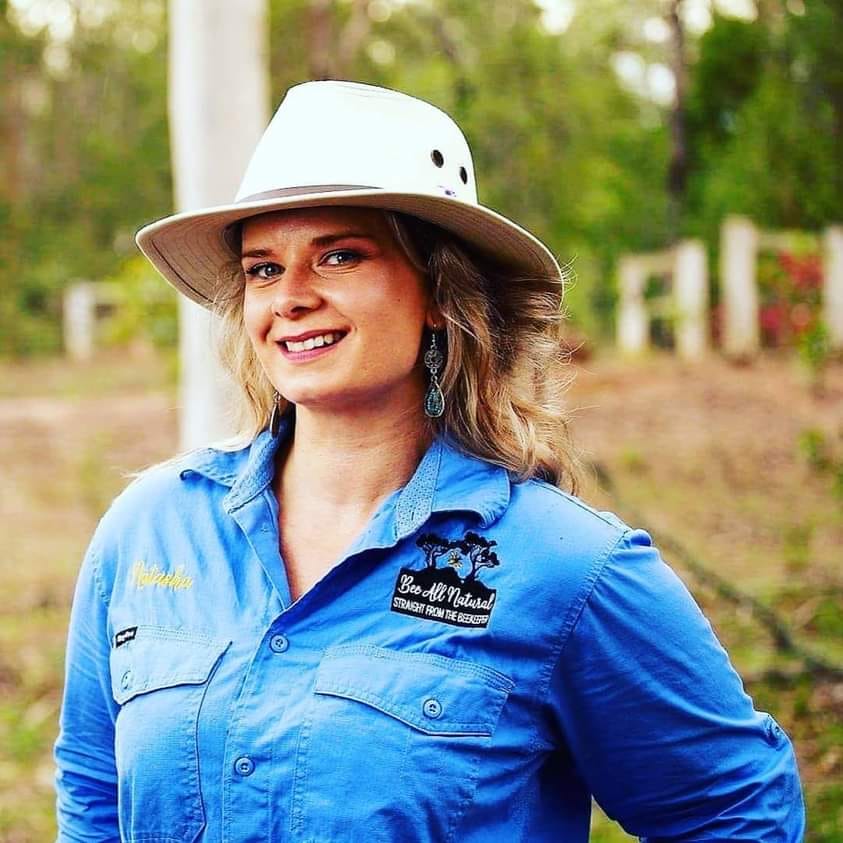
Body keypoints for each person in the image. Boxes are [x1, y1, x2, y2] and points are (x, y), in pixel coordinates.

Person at [54, 80, 805, 842]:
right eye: (262, 269)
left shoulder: (566, 566)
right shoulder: (151, 529)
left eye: (339, 256)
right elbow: (92, 795)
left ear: (439, 293)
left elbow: (736, 814)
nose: (290, 298)